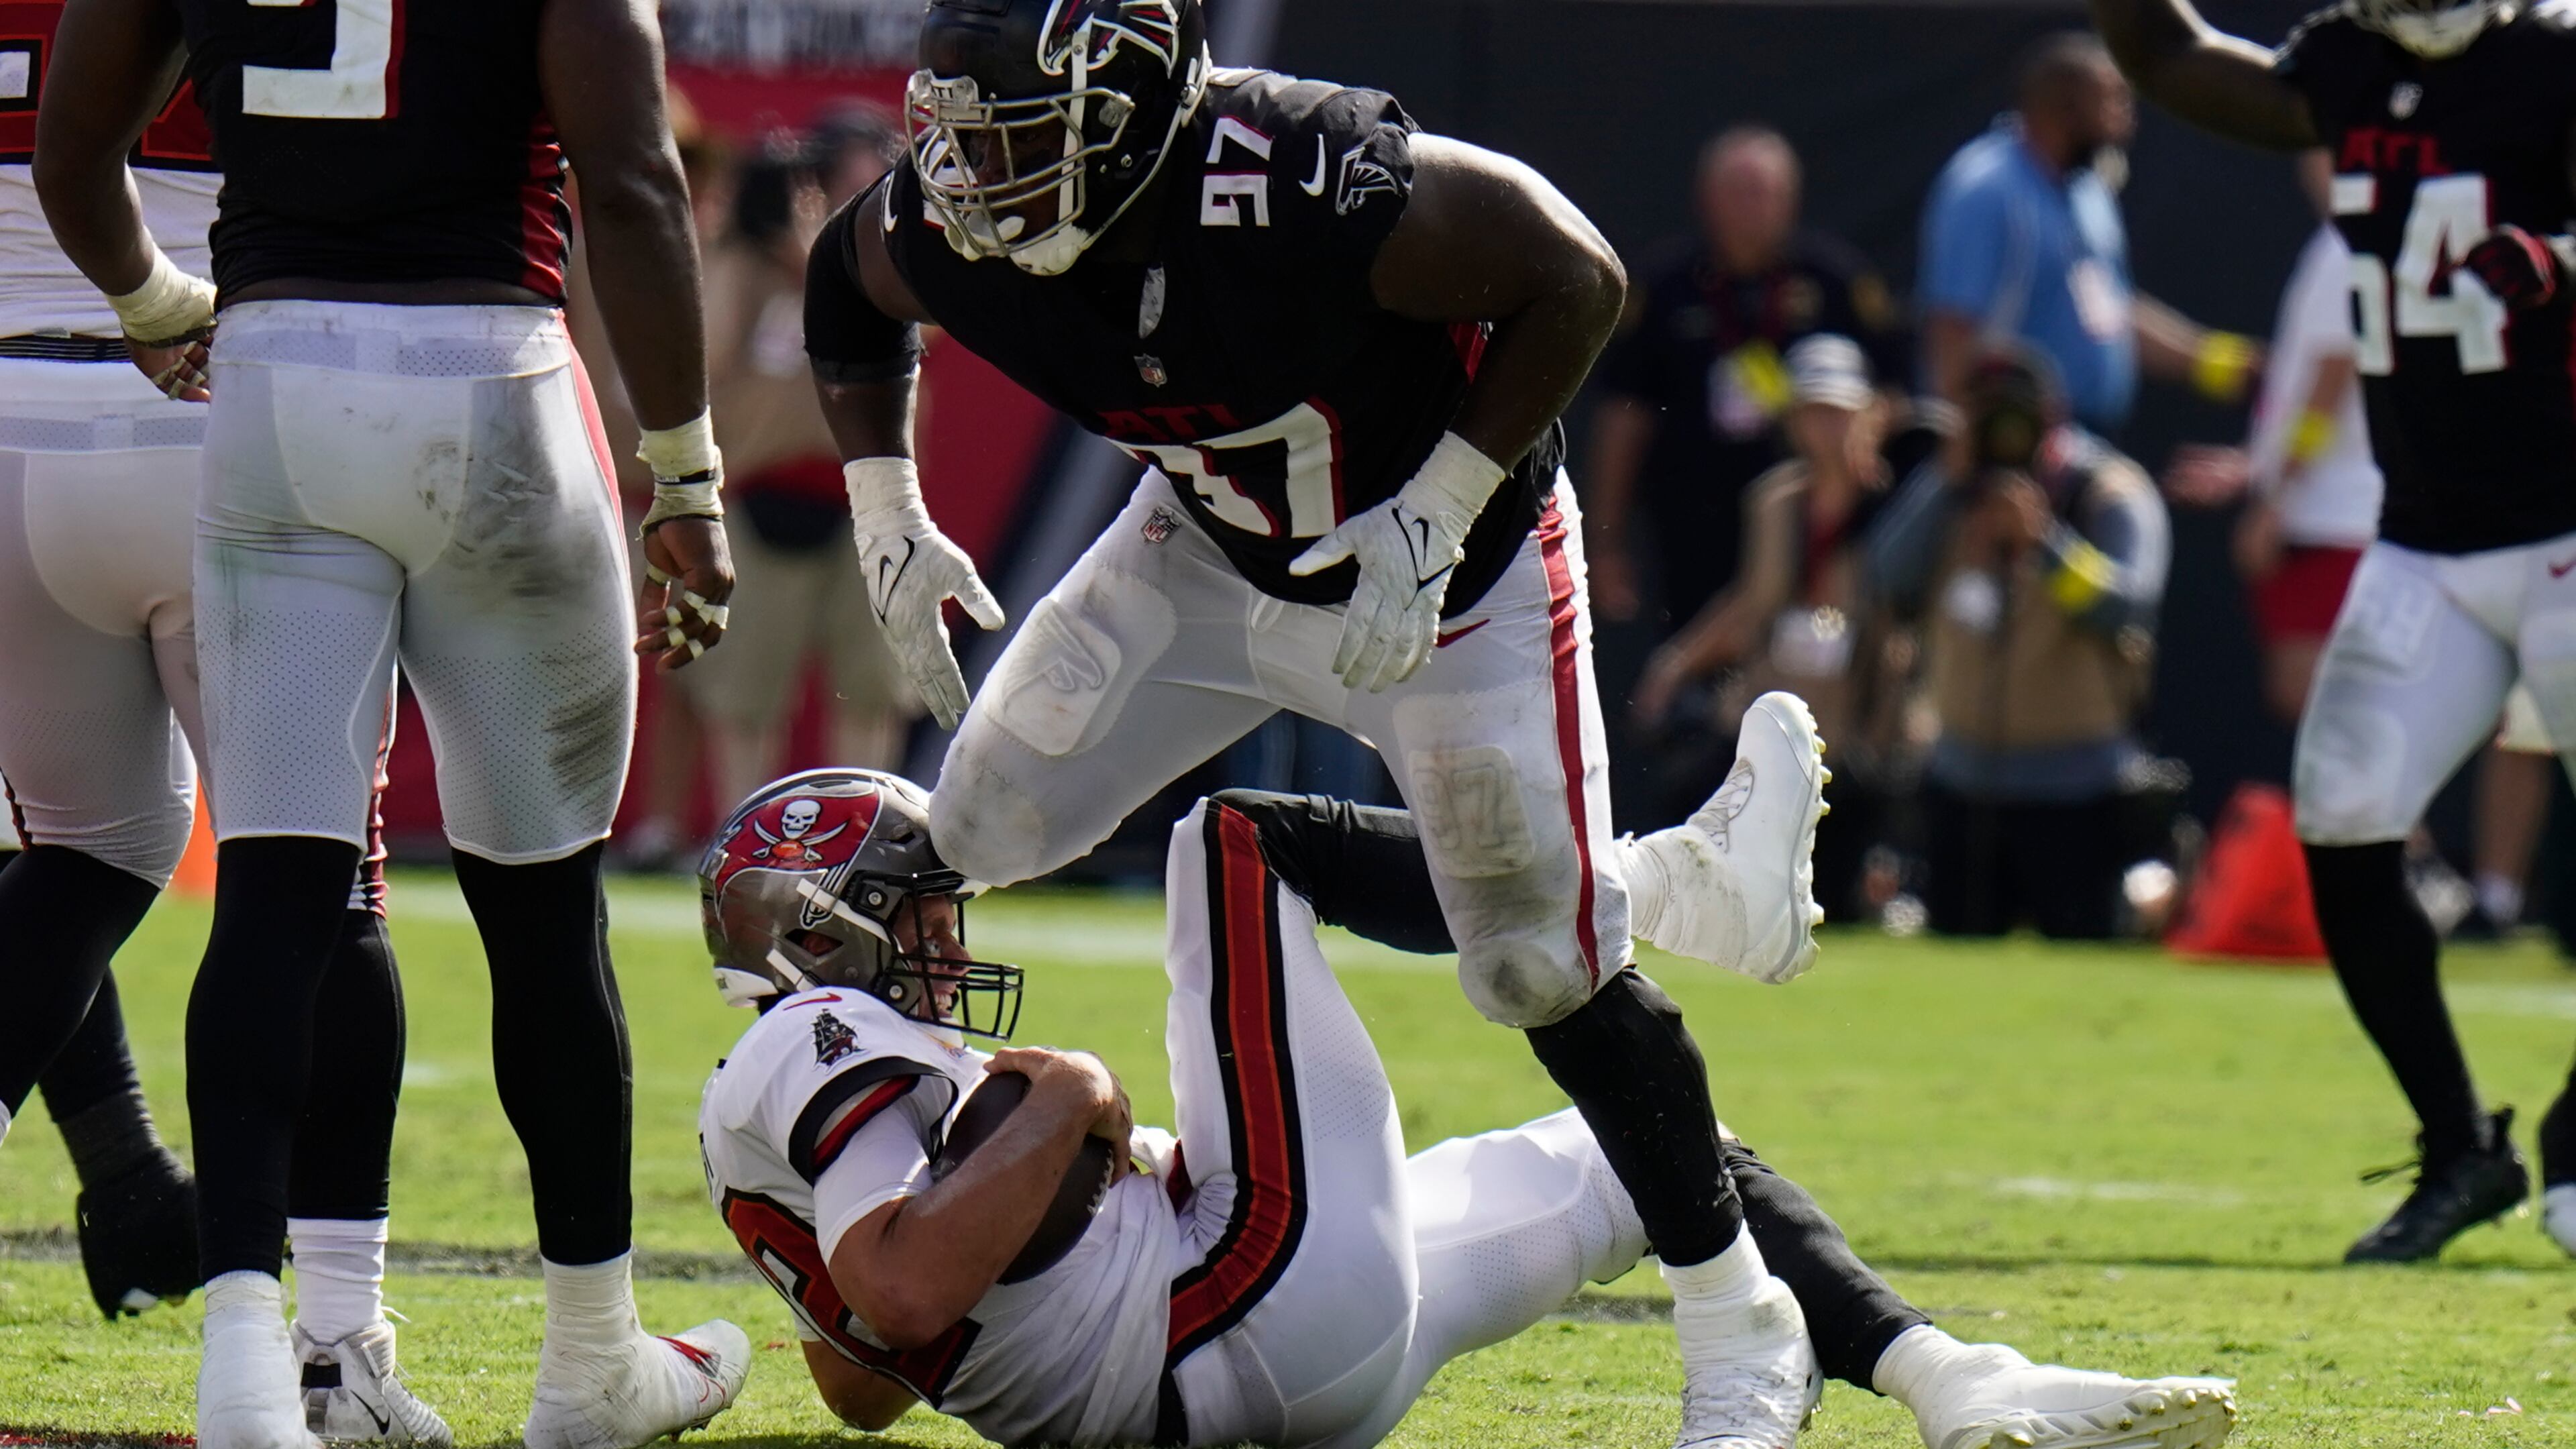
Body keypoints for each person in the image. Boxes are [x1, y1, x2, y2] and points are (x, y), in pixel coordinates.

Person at [806, 4, 1836, 1442]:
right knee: (975, 825)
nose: (975, 180)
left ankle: (1744, 1325)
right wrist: (885, 507)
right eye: (959, 140)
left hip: (1450, 584)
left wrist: (1434, 511)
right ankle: (1670, 877)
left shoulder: (1290, 174)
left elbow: (1574, 278)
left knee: (1541, 967)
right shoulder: (957, 219)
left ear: (1128, 111)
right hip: (1211, 556)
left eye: (1016, 138)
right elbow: (845, 281)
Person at [692, 766, 2241, 1449]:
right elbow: (903, 1281)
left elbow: (864, 1377)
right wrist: (1076, 1102)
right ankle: (1647, 887)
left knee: (1652, 1160)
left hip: (1251, 1365)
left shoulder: (779, 1119)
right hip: (1240, 1300)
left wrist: (1033, 1171)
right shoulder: (810, 1027)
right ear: (814, 929)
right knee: (1227, 844)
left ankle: (1952, 1377)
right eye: (916, 911)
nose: (948, 946)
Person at [34, 0, 751, 1442]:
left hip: (279, 389)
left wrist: (159, 301)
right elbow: (629, 178)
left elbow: (73, 153)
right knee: (546, 922)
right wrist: (684, 472)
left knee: (278, 896)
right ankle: (591, 1364)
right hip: (492, 379)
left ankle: (245, 1365)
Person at [0, 21, 445, 1440]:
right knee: (324, 881)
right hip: (213, 397)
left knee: (89, 851)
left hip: (8, 417)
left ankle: (154, 1199)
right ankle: (331, 1347)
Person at [2092, 0, 2576, 1263]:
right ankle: (2461, 1144)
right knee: (2347, 821)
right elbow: (2168, 58)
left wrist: (2562, 259)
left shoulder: (2554, 57)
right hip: (2425, 537)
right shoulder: (2355, 63)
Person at [1866, 349, 2169, 940]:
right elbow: (1886, 578)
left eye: (2015, 416)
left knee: (2078, 974)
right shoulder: (1950, 487)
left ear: (2052, 417)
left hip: (2077, 788)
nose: (2004, 432)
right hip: (1960, 782)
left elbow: (2132, 606)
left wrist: (2048, 545)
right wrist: (1943, 483)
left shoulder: (2104, 492)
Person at [1633, 335, 1934, 922]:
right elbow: (1751, 602)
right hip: (1771, 712)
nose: (1826, 428)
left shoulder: (1899, 508)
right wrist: (1674, 666)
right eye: (1813, 411)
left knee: (1836, 899)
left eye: (1840, 412)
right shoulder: (1775, 500)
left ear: (1872, 415)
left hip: (1858, 730)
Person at [1585, 127, 1905, 634]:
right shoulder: (1665, 289)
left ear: (1791, 199)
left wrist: (1858, 450)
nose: (1753, 207)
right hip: (1694, 517)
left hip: (1810, 512)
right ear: (1706, 200)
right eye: (1738, 192)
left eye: (1765, 192)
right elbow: (1625, 416)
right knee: (1701, 659)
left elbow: (1892, 389)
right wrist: (1606, 540)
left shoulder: (1835, 281)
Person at [688, 111, 920, 808]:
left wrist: (833, 263)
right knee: (747, 695)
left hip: (868, 499)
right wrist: (763, 250)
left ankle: (864, 828)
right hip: (761, 500)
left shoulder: (890, 268)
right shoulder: (742, 268)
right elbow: (711, 359)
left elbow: (927, 331)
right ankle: (749, 837)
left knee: (873, 687)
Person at [1919, 32, 2260, 446]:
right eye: (2111, 98)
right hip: (2012, 443)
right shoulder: (1986, 189)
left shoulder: (2089, 191)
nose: (2126, 117)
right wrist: (1980, 449)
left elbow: (2114, 309)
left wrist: (2222, 366)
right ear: (2065, 105)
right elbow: (1952, 335)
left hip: (2089, 437)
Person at [2161, 150, 2381, 729]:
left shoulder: (2352, 251)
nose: (2315, 163)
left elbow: (2331, 384)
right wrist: (2254, 465)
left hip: (2332, 522)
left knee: (2340, 727)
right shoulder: (2339, 247)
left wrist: (2277, 498)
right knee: (2328, 725)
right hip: (2322, 516)